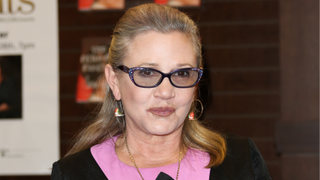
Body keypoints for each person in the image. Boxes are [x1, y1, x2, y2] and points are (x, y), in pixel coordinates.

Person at [51, 3, 272, 180]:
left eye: (182, 74)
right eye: (147, 73)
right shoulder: (73, 173)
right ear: (114, 82)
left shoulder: (240, 161)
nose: (166, 92)